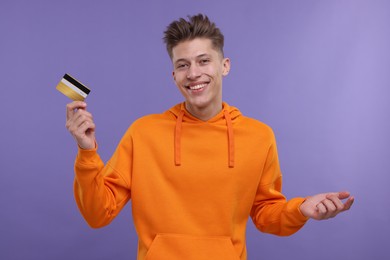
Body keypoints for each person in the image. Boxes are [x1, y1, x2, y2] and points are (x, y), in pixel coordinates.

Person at [65, 14, 354, 260]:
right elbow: (97, 214)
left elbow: (267, 215)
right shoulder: (143, 132)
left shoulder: (259, 136)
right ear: (174, 75)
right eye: (183, 65)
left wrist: (300, 209)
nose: (193, 73)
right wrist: (86, 150)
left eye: (204, 61)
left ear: (224, 66)